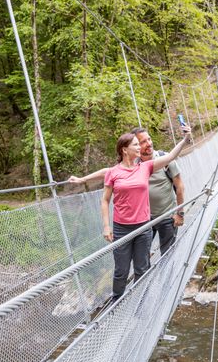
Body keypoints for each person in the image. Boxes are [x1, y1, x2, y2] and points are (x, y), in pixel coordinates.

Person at [72, 127, 190, 301]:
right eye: (136, 144)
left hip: (145, 225)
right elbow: (105, 197)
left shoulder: (146, 167)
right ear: (124, 149)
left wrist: (186, 137)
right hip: (121, 228)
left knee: (142, 268)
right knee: (121, 271)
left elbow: (171, 156)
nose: (140, 147)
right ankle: (116, 302)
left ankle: (140, 304)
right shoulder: (114, 172)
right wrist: (106, 226)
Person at [69, 129, 186, 255]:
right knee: (143, 256)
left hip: (166, 215)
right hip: (144, 219)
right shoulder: (133, 163)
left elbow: (180, 187)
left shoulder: (164, 160)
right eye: (141, 142)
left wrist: (180, 213)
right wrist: (83, 179)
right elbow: (108, 172)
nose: (148, 143)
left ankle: (167, 274)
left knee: (168, 254)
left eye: (149, 139)